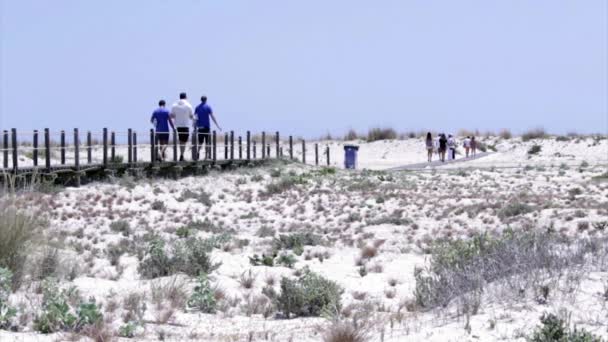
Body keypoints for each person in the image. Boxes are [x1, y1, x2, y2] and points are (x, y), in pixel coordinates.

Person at [170, 92, 194, 161]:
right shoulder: (188, 105)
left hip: (177, 125)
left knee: (181, 140)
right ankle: (181, 155)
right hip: (185, 125)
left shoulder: (174, 105)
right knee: (184, 141)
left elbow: (172, 115)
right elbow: (191, 116)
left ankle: (181, 155)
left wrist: (177, 115)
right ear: (186, 97)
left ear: (179, 97)